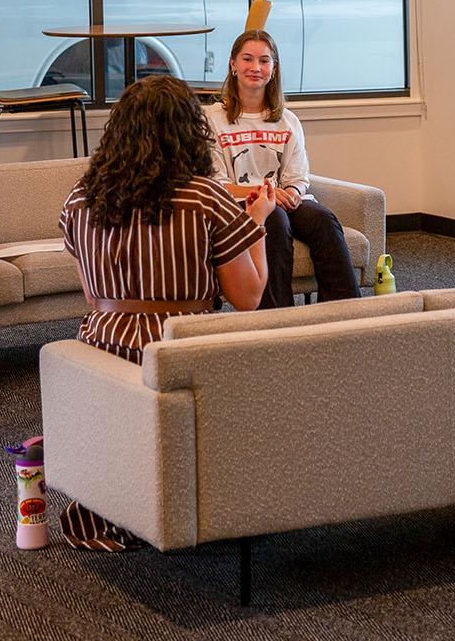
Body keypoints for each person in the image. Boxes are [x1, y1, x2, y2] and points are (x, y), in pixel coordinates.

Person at [58, 74, 270, 549]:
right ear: (187, 132)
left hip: (101, 344)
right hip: (182, 346)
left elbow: (91, 295)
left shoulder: (82, 198)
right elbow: (249, 296)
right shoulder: (205, 197)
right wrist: (255, 225)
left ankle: (111, 502)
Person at [202, 29, 360, 308]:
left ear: (274, 69)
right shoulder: (212, 120)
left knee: (324, 219)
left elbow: (298, 176)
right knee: (274, 218)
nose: (255, 68)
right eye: (247, 59)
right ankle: (276, 319)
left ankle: (345, 313)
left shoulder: (287, 120)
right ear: (232, 65)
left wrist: (293, 192)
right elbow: (216, 185)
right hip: (237, 204)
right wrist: (268, 193)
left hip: (282, 199)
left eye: (264, 61)